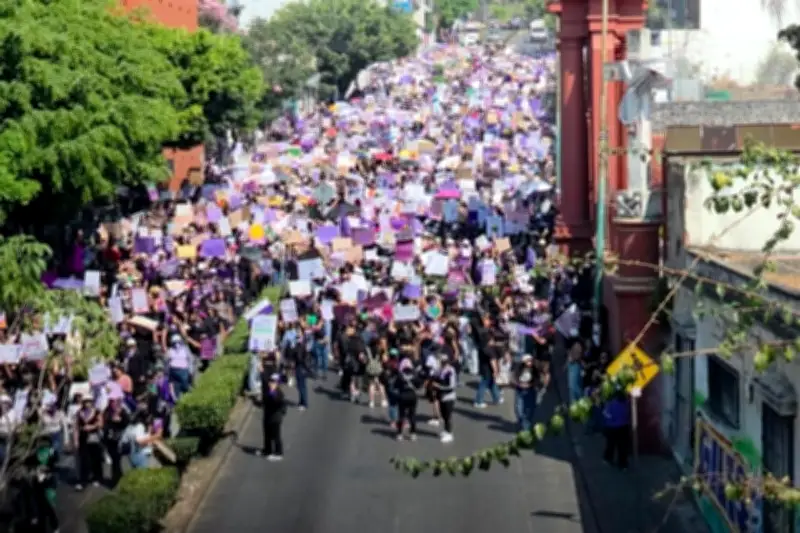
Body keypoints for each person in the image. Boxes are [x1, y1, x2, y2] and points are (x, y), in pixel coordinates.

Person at [74, 396, 103, 490]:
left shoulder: (96, 411)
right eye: (86, 402)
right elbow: (76, 427)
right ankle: (83, 482)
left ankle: (97, 478)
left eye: (89, 402)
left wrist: (92, 426)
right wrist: (76, 440)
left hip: (94, 438)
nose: (87, 404)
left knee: (96, 459)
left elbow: (101, 423)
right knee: (84, 460)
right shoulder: (79, 413)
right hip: (83, 439)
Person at [258, 373, 287, 461]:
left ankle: (279, 453)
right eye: (270, 381)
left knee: (276, 436)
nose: (271, 383)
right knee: (267, 434)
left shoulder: (279, 393)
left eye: (273, 382)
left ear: (277, 384)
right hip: (267, 416)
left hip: (275, 418)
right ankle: (267, 450)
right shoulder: (268, 390)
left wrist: (272, 393)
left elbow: (277, 402)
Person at [602, 390, 632, 470]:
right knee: (622, 446)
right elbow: (628, 412)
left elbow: (606, 413)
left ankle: (608, 459)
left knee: (611, 445)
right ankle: (623, 464)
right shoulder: (626, 401)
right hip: (623, 426)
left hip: (612, 427)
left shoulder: (610, 402)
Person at [393, 359, 421, 441]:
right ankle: (413, 434)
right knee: (412, 415)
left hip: (402, 396)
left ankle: (399, 434)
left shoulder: (400, 375)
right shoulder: (414, 374)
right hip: (412, 396)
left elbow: (395, 386)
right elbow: (419, 385)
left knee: (401, 415)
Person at [433, 353, 457, 443]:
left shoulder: (450, 371)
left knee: (448, 416)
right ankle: (445, 430)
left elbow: (451, 386)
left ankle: (449, 433)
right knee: (443, 415)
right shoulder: (440, 370)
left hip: (449, 397)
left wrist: (439, 386)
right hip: (442, 396)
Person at [511, 354, 538, 431]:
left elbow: (538, 379)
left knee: (529, 410)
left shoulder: (535, 369)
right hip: (520, 390)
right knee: (518, 409)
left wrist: (530, 385)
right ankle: (523, 422)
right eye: (527, 361)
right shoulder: (518, 368)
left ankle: (526, 428)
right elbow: (513, 377)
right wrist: (519, 384)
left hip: (530, 391)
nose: (529, 363)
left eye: (530, 361)